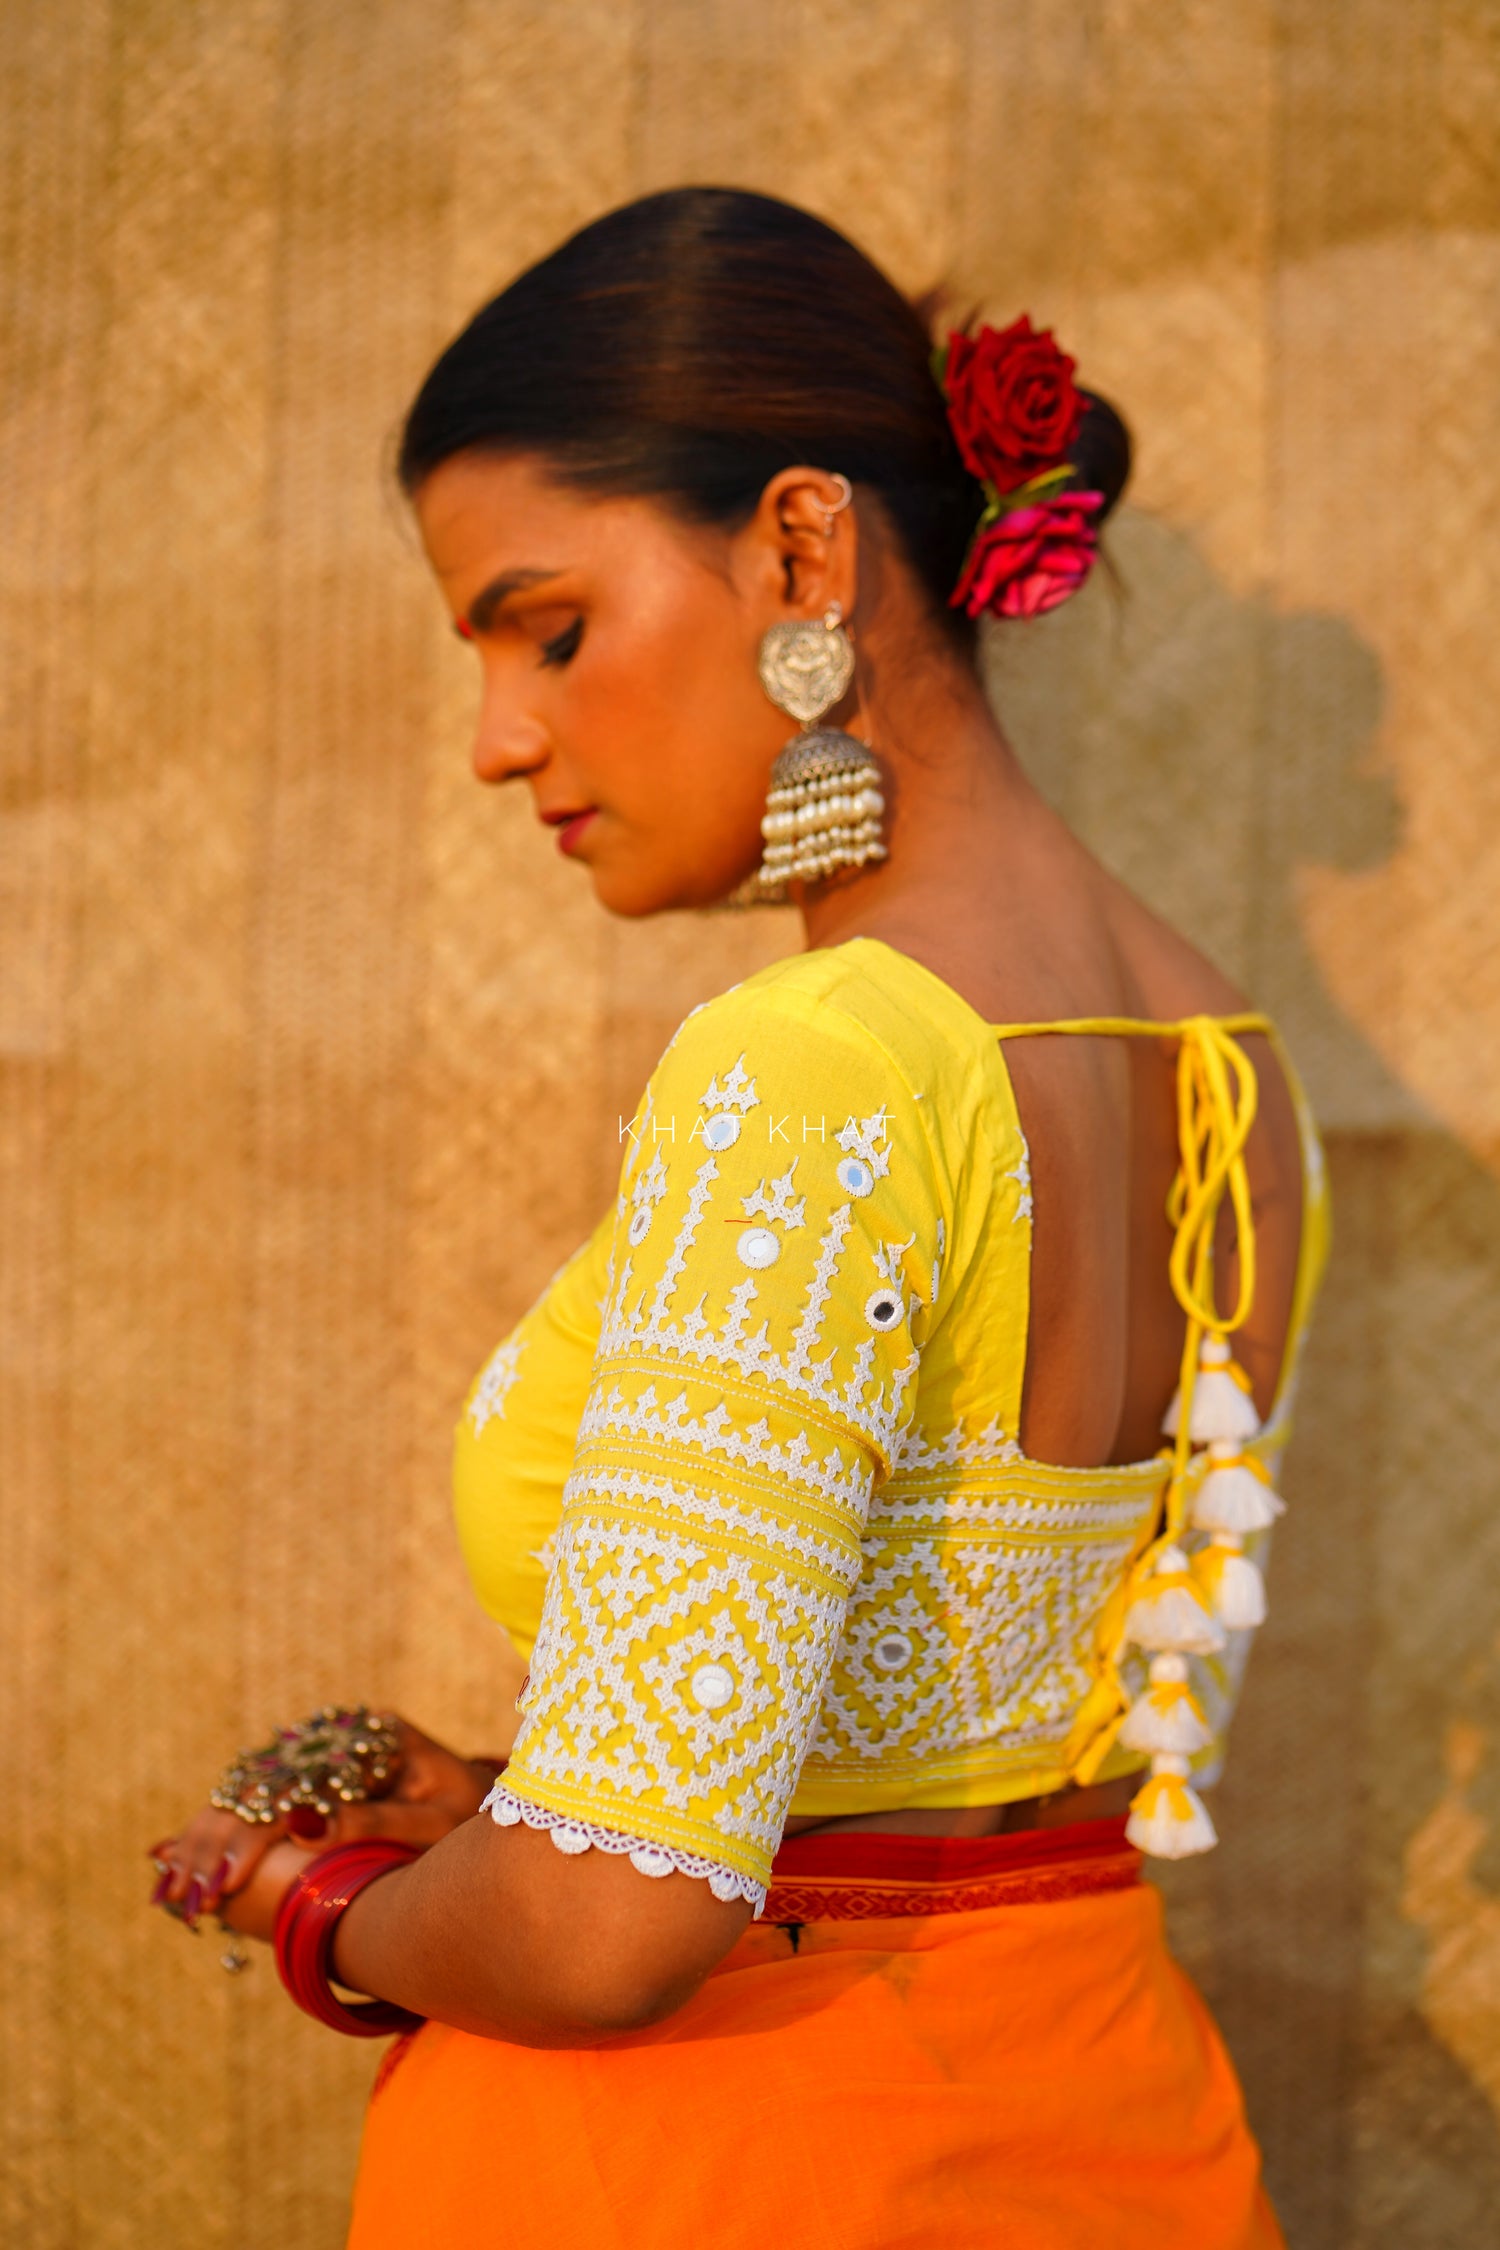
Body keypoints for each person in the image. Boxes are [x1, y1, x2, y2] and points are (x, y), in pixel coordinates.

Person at [148, 187, 1329, 2247]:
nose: (500, 739)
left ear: (800, 551)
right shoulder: (1230, 1066)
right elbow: (927, 1747)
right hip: (1112, 2130)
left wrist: (315, 1903)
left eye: (546, 627)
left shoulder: (822, 1062)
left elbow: (605, 1933)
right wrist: (522, 1799)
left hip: (718, 2166)